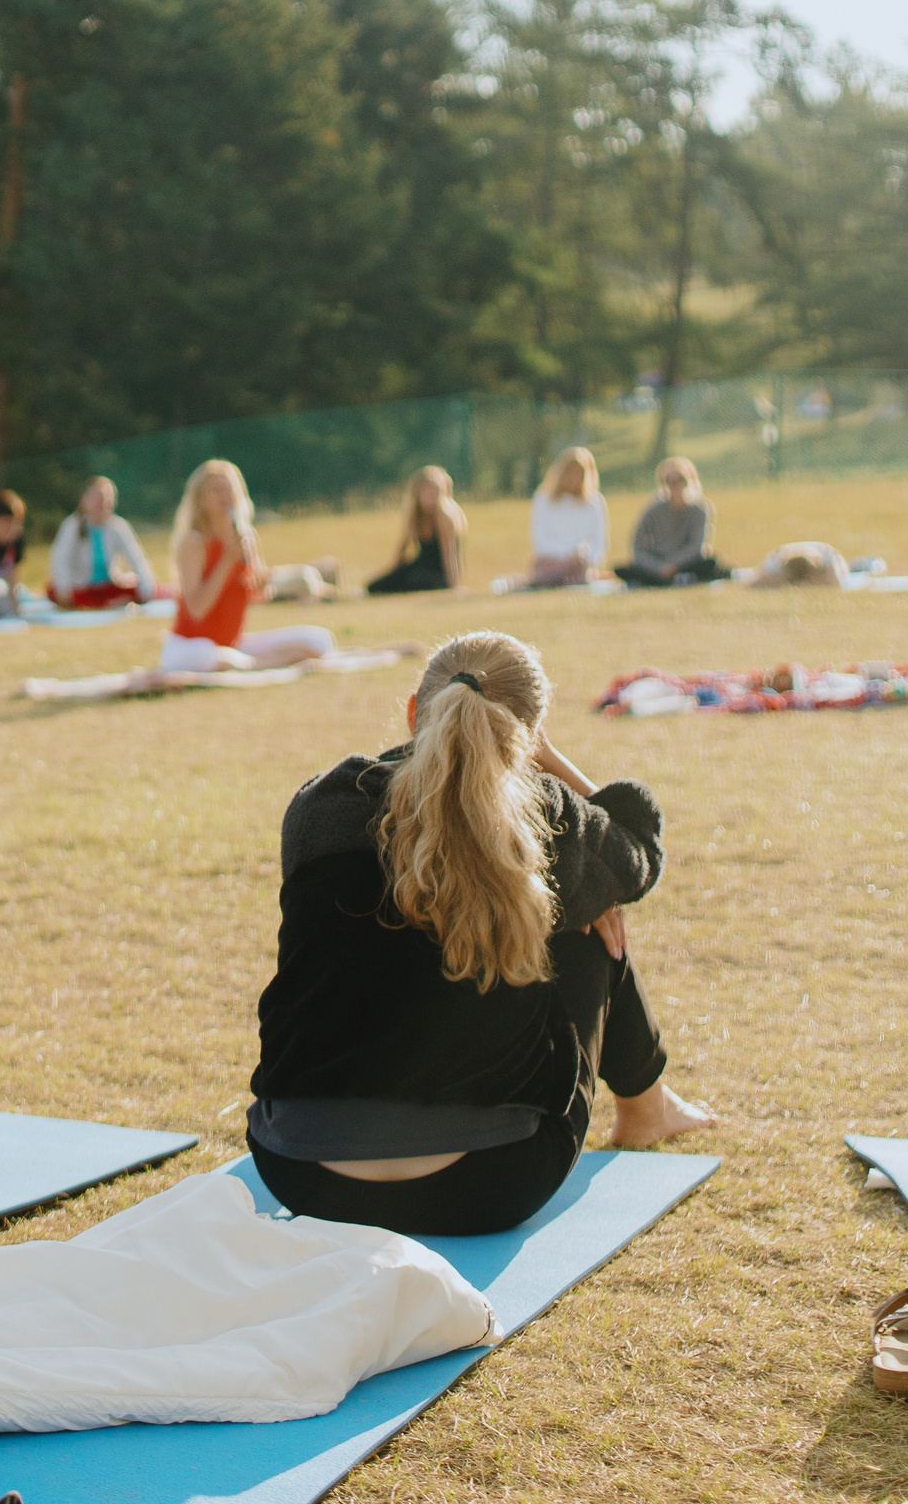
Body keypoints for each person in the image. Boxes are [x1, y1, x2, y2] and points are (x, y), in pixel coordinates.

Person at [246, 632, 713, 1234]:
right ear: (526, 739)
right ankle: (648, 1111)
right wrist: (548, 765)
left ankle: (652, 1107)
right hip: (488, 1184)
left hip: (299, 1172)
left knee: (573, 897)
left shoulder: (322, 806)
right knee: (588, 918)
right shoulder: (544, 819)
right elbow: (636, 845)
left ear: (414, 712)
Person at [162, 459, 335, 675]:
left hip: (232, 643)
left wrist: (263, 585)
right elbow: (197, 610)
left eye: (229, 489)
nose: (225, 496)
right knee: (213, 657)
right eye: (216, 490)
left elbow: (258, 595)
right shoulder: (193, 542)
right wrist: (227, 561)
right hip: (192, 647)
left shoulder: (246, 536)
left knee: (320, 640)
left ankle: (256, 663)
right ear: (201, 499)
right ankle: (262, 663)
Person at [48, 478, 159, 609]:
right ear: (84, 500)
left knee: (145, 588)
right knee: (54, 591)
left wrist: (147, 588)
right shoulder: (73, 525)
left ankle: (109, 602)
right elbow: (60, 559)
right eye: (97, 498)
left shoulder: (119, 526)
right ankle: (104, 603)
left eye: (107, 498)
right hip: (81, 587)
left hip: (109, 586)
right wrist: (63, 588)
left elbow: (136, 558)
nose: (101, 503)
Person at [617, 457, 726, 587]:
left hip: (686, 563)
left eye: (680, 480)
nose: (675, 486)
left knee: (709, 563)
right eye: (670, 482)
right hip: (658, 561)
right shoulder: (653, 510)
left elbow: (696, 547)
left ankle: (671, 577)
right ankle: (675, 578)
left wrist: (673, 565)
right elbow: (637, 547)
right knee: (625, 569)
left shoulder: (699, 510)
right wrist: (659, 567)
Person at [368, 466, 466, 595]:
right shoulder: (413, 516)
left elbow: (450, 555)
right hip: (420, 566)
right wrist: (392, 577)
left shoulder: (445, 517)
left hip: (439, 573)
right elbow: (401, 553)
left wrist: (454, 587)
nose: (431, 496)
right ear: (417, 493)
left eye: (435, 491)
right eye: (427, 491)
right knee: (376, 586)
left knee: (416, 579)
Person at [528, 447, 609, 587]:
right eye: (570, 472)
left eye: (578, 474)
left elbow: (599, 544)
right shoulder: (543, 499)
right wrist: (566, 555)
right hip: (551, 562)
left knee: (581, 574)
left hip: (580, 565)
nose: (573, 478)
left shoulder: (595, 502)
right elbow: (540, 541)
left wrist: (584, 557)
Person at [749, 542, 852, 589]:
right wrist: (785, 581)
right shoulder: (776, 559)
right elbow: (753, 583)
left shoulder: (828, 555)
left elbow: (837, 582)